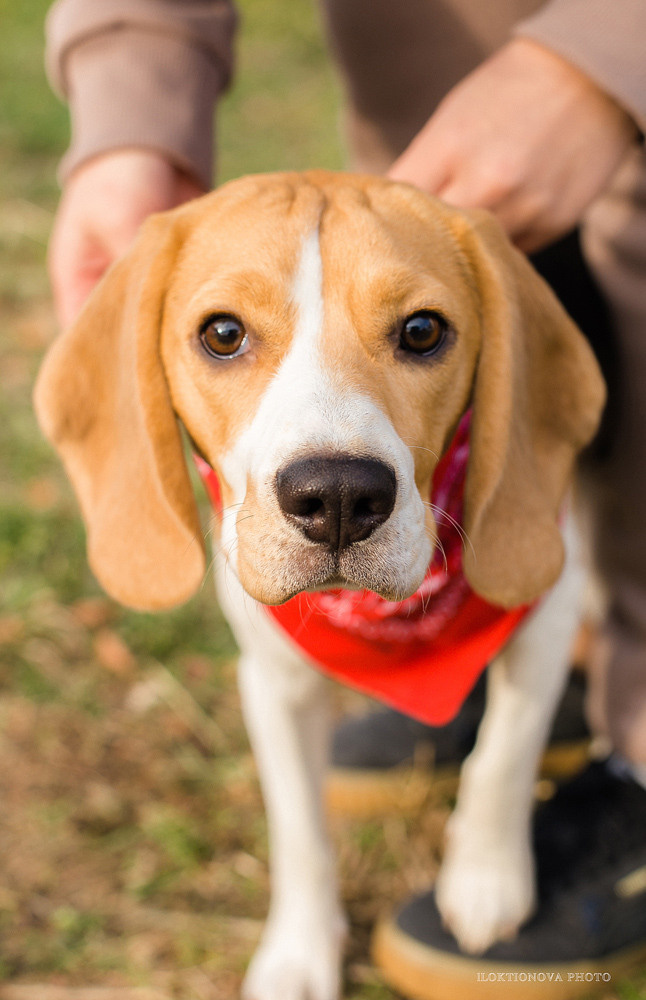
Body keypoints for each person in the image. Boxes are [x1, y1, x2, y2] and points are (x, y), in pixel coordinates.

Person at [45, 0, 646, 993]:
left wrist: (606, 60)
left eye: (416, 335)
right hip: (427, 53)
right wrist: (130, 107)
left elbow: (536, 588)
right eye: (226, 337)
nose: (329, 467)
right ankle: (330, 858)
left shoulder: (502, 445)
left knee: (538, 599)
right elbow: (273, 683)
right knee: (284, 671)